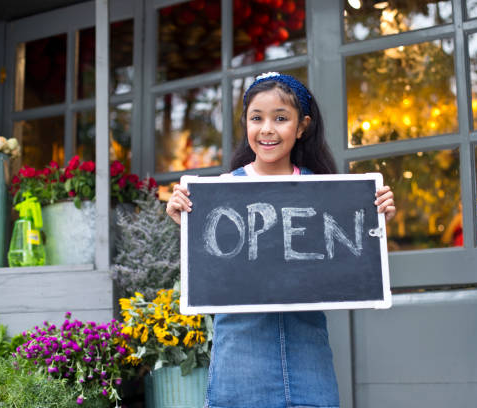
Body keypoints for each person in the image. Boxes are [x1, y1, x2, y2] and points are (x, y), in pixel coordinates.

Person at [166, 72, 396, 408]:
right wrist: (184, 217)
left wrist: (375, 217)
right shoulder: (219, 191)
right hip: (240, 352)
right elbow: (209, 267)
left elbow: (350, 266)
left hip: (307, 350)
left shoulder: (327, 192)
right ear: (245, 123)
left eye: (281, 118)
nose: (267, 129)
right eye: (256, 118)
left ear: (302, 127)